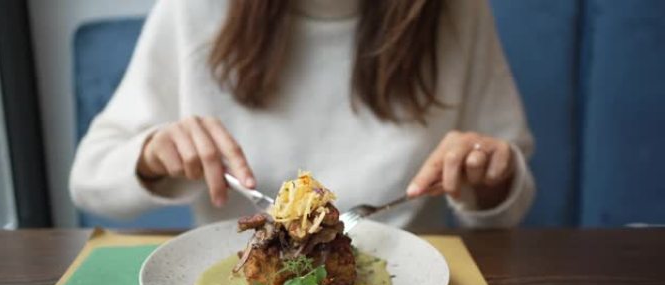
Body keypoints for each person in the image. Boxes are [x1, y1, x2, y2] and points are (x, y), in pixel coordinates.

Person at [70, 0, 535, 230]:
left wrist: (489, 174)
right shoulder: (195, 10)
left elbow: (511, 198)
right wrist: (152, 155)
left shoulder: (456, 13)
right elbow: (89, 179)